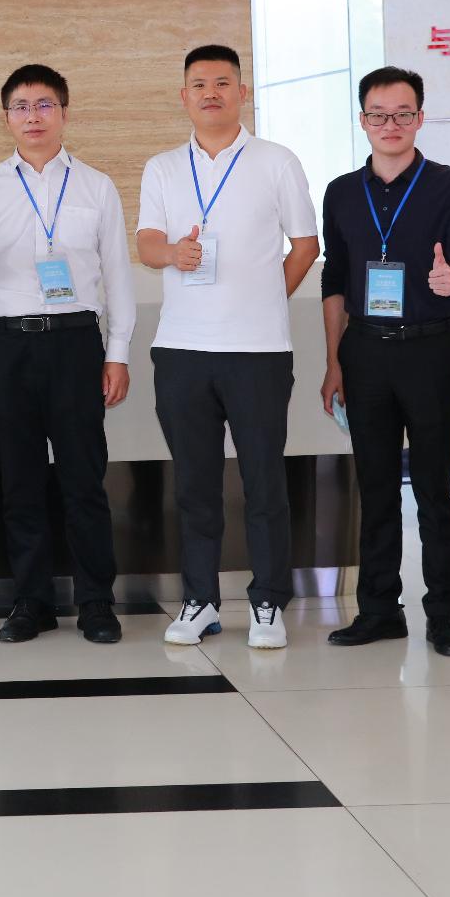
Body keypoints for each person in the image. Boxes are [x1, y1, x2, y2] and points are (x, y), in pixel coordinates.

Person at [0, 63, 135, 646]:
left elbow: (117, 276)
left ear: (64, 113)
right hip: (8, 345)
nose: (34, 116)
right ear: (7, 118)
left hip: (76, 343)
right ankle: (31, 601)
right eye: (22, 107)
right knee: (20, 479)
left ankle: (96, 601)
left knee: (84, 478)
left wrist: (118, 352)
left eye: (45, 104)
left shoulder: (96, 186)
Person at [139, 46, 319, 650]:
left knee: (264, 482)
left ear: (242, 93)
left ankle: (268, 602)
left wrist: (268, 297)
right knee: (195, 485)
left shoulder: (275, 160)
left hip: (258, 351)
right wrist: (174, 253)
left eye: (222, 83)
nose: (210, 93)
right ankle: (200, 601)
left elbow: (305, 243)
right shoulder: (163, 167)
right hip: (181, 349)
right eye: (199, 84)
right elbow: (147, 243)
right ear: (183, 96)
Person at [316, 67, 450, 656]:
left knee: (434, 489)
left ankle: (443, 615)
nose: (391, 125)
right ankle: (379, 610)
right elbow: (335, 281)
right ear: (363, 120)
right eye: (379, 115)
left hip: (428, 349)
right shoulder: (341, 192)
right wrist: (334, 361)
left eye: (403, 113)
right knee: (376, 486)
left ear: (420, 117)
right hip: (364, 352)